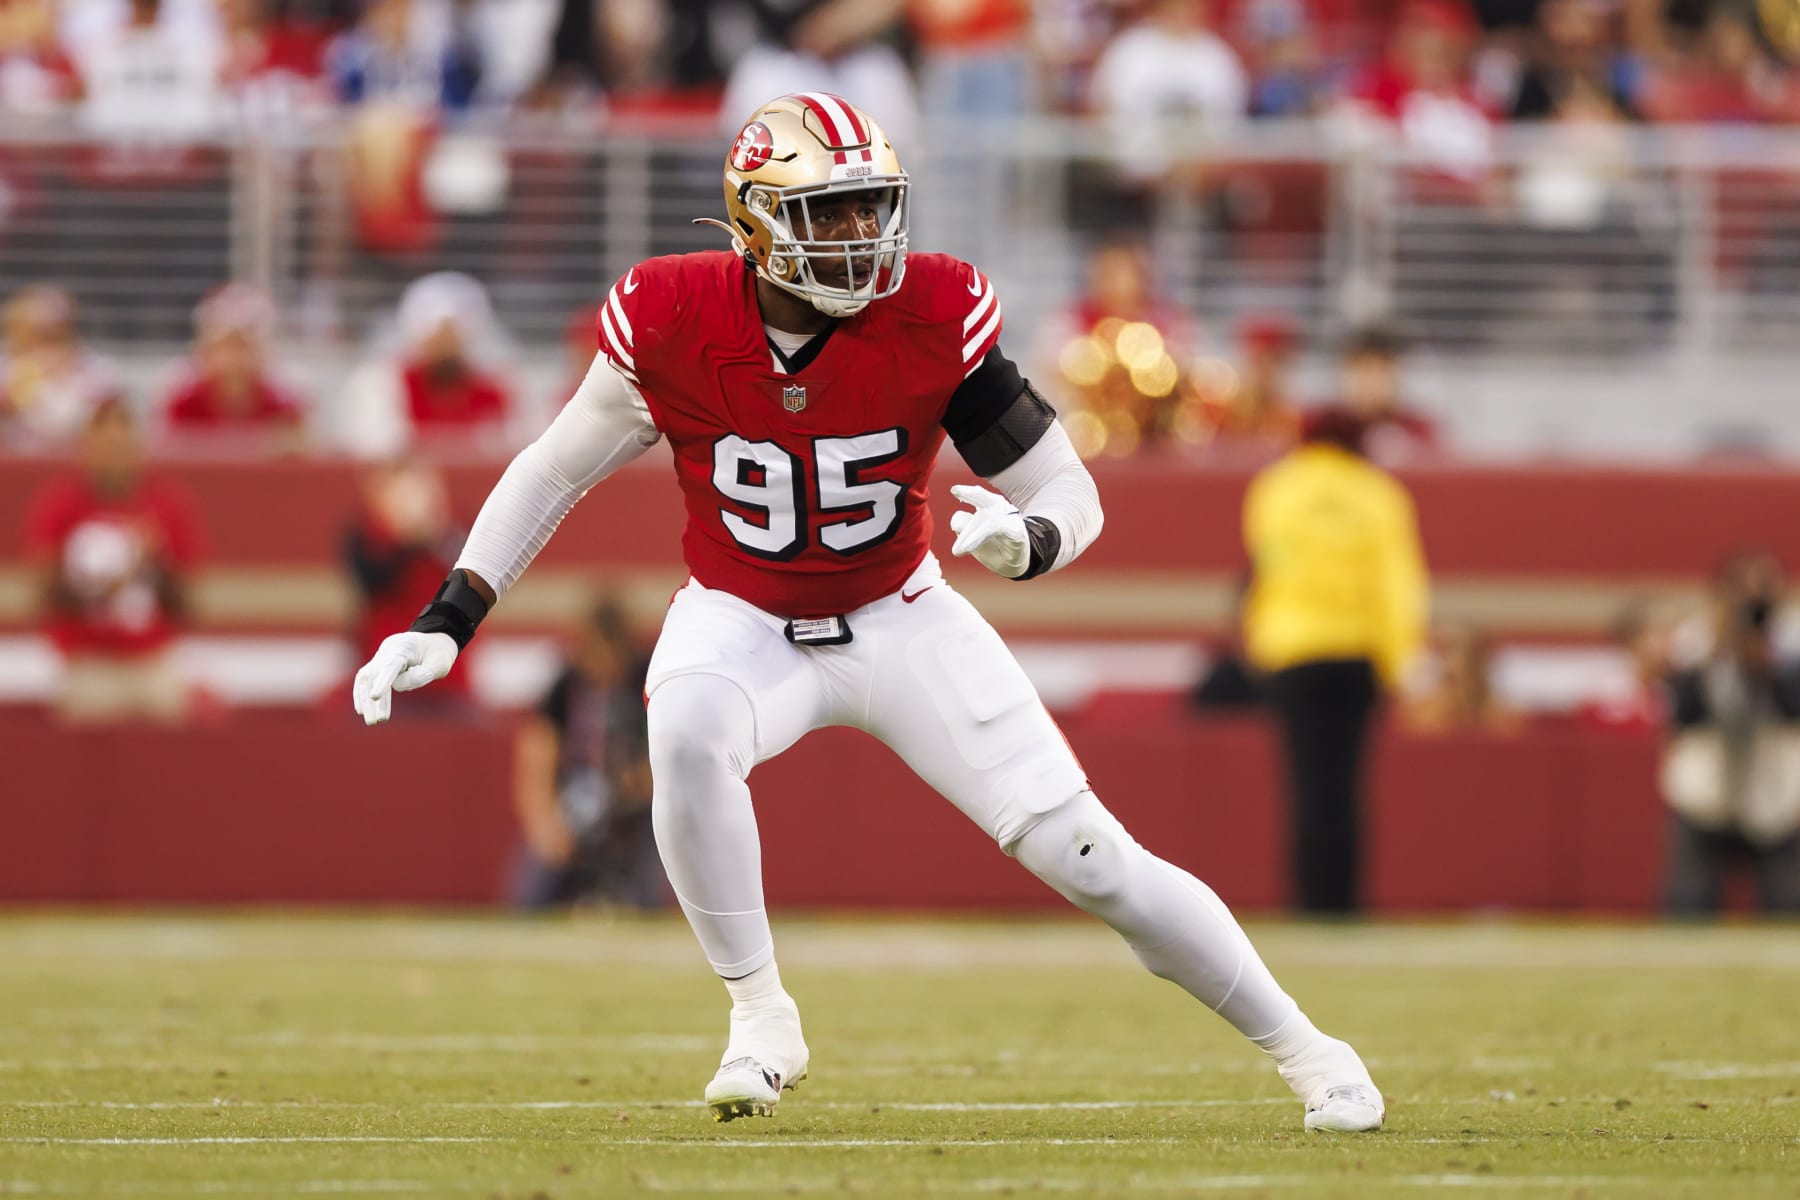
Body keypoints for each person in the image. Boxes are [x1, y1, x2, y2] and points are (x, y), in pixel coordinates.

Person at [351, 92, 1384, 1134]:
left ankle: (1311, 1051)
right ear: (755, 219)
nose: (859, 236)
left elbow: (1070, 493)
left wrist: (1026, 545)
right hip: (740, 613)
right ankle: (759, 1015)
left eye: (870, 208)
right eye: (830, 213)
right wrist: (448, 618)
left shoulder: (932, 312)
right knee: (687, 725)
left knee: (1092, 857)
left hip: (902, 613)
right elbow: (549, 473)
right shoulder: (670, 316)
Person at [1243, 407, 1428, 913]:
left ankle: (1307, 901)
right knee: (1345, 785)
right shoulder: (1379, 494)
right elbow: (1398, 586)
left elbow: (1268, 567)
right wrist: (1400, 661)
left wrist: (1262, 641)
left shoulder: (1276, 488)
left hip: (1292, 650)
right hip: (1355, 651)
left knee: (1304, 784)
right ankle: (1342, 902)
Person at [23, 400, 203, 724]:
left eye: (122, 444)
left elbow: (184, 602)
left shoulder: (166, 505)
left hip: (149, 656)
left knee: (174, 718)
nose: (115, 455)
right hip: (87, 657)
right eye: (105, 444)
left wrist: (156, 562)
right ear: (86, 448)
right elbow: (47, 593)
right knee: (90, 718)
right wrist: (123, 570)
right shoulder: (62, 504)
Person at [1659, 551, 1800, 914]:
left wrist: (1762, 661)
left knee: (1787, 902)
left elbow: (1791, 707)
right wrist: (1718, 650)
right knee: (1690, 901)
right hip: (1707, 786)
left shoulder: (1791, 636)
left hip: (1775, 787)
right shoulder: (1696, 637)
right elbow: (1684, 714)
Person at [512, 601, 662, 910]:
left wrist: (640, 781)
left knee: (649, 888)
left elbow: (672, 746)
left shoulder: (649, 682)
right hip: (578, 799)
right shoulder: (566, 686)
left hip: (639, 805)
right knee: (533, 890)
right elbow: (538, 754)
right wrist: (545, 824)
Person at [158, 282, 306, 451]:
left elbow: (302, 453)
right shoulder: (183, 399)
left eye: (242, 347)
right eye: (225, 347)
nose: (233, 358)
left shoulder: (284, 402)